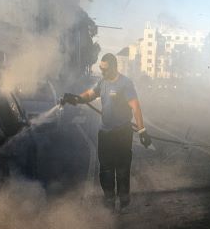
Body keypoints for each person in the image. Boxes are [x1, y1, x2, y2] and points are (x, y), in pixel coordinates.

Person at [62, 53, 152, 211]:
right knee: (105, 169)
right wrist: (76, 98)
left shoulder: (125, 83)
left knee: (122, 168)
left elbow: (135, 106)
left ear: (114, 67)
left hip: (122, 133)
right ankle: (109, 201)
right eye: (100, 69)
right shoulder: (102, 82)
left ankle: (124, 202)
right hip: (105, 133)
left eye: (105, 69)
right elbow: (90, 94)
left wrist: (142, 130)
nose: (102, 72)